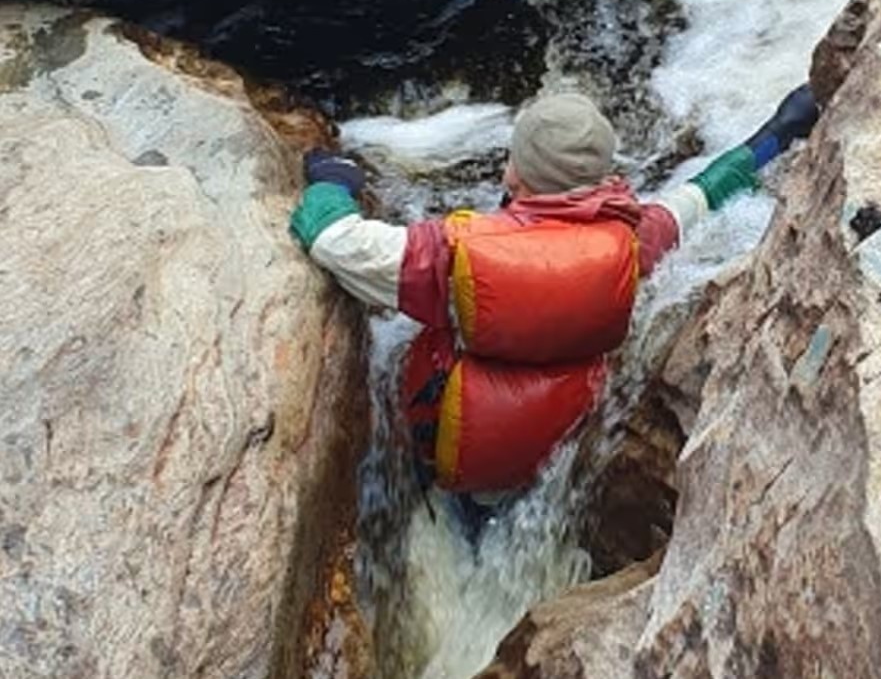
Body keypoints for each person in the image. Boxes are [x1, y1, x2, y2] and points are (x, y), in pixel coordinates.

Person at [290, 85, 819, 499]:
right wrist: (778, 132)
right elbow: (703, 195)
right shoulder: (632, 242)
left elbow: (335, 240)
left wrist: (331, 181)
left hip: (453, 455)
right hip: (551, 461)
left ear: (515, 171)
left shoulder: (454, 259)